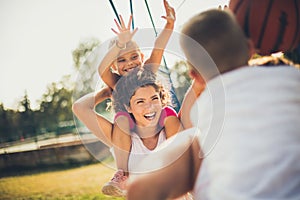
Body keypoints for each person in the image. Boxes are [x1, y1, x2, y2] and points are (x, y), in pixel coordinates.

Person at [126, 9, 300, 199]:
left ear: (194, 76)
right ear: (251, 48)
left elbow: (138, 190)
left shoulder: (206, 107)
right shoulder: (290, 78)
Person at [96, 0, 178, 196]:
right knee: (122, 119)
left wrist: (169, 25)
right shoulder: (116, 82)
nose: (129, 63)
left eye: (134, 57)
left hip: (157, 125)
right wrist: (119, 44)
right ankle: (122, 174)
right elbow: (101, 69)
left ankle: (178, 163)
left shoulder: (148, 70)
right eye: (122, 60)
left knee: (170, 114)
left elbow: (158, 48)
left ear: (141, 56)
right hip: (134, 133)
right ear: (114, 66)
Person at [72, 68, 183, 197]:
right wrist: (107, 92)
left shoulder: (172, 129)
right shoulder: (122, 141)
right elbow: (79, 107)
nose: (150, 107)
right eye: (140, 101)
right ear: (128, 107)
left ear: (161, 100)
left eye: (154, 99)